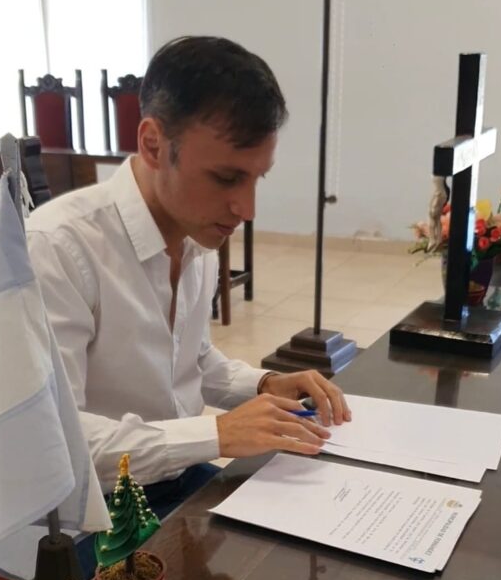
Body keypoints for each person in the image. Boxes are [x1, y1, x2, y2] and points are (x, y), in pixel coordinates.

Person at [26, 36, 353, 545]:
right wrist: (217, 434)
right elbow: (54, 445)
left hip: (176, 478)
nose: (246, 209)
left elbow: (191, 359)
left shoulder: (194, 234)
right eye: (226, 178)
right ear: (153, 144)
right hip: (92, 517)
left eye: (257, 179)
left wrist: (264, 385)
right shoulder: (59, 248)